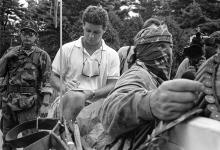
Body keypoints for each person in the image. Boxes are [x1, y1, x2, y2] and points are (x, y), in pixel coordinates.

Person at [96, 23, 207, 149]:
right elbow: (109, 110)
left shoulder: (154, 76)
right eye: (161, 47)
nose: (168, 53)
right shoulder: (138, 73)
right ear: (147, 51)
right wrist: (149, 103)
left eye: (170, 46)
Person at [50, 5, 120, 121]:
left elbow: (113, 84)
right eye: (88, 30)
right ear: (83, 25)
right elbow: (53, 77)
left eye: (96, 32)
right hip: (67, 106)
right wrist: (64, 87)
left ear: (104, 29)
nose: (91, 36)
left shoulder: (112, 55)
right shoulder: (67, 49)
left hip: (96, 111)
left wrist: (92, 93)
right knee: (64, 137)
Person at [0, 20, 52, 150]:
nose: (27, 36)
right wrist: (6, 57)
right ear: (20, 35)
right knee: (7, 139)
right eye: (24, 33)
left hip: (30, 103)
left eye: (31, 33)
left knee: (30, 140)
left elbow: (47, 81)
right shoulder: (11, 52)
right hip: (9, 101)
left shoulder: (42, 55)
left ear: (36, 37)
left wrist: (45, 104)